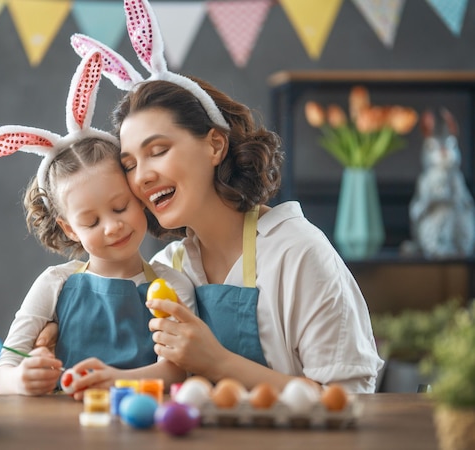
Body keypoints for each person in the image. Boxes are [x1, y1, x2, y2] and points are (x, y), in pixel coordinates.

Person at [38, 0, 383, 395]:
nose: (143, 176)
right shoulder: (168, 269)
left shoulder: (297, 253)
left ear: (215, 145)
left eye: (158, 150)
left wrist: (217, 361)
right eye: (130, 163)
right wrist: (54, 345)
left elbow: (352, 401)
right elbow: (134, 371)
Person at [0, 51, 195, 396]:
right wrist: (22, 379)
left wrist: (116, 382)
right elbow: (0, 371)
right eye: (91, 222)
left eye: (120, 208)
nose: (112, 227)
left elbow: (179, 369)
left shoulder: (173, 285)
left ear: (138, 197)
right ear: (69, 229)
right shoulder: (54, 284)